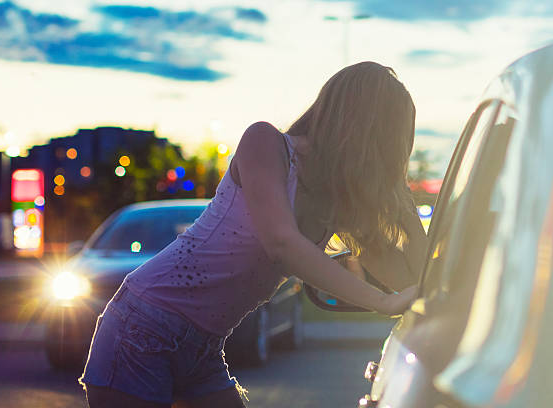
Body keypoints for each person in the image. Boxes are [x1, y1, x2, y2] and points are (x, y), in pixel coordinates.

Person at [79, 61, 428, 408]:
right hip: (143, 328)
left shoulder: (339, 199)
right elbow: (281, 243)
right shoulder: (267, 143)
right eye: (390, 144)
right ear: (360, 128)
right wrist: (382, 302)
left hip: (203, 347)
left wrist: (403, 201)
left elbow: (414, 279)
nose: (389, 159)